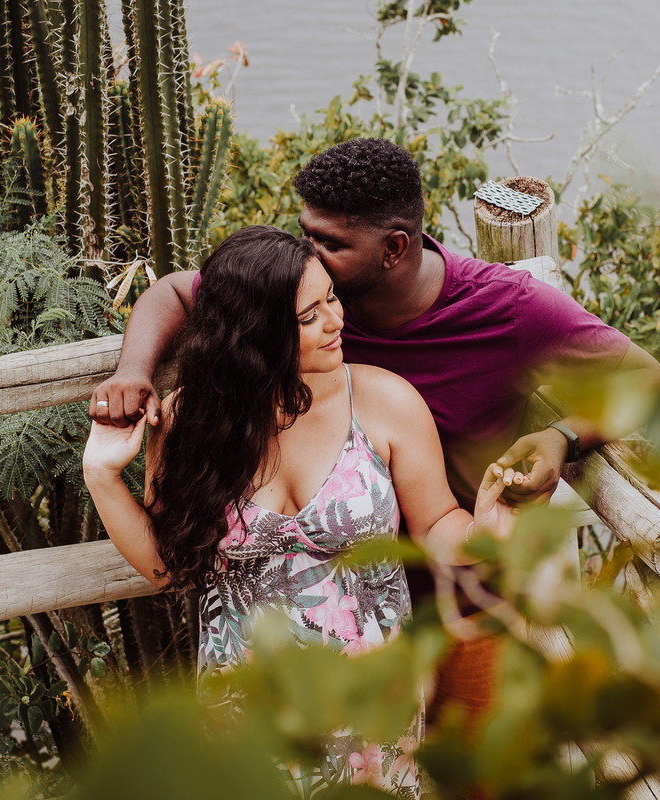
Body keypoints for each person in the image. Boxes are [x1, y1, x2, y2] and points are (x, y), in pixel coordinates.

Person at [90, 138, 660, 752]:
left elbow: (646, 379)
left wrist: (560, 438)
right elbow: (180, 294)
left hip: (462, 599)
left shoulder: (503, 311)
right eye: (304, 234)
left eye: (330, 245)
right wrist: (133, 372)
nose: (308, 255)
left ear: (394, 248)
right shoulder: (291, 293)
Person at [83, 225, 518, 797]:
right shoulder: (192, 423)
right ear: (255, 336)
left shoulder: (383, 399)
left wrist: (483, 532)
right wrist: (101, 474)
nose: (337, 322)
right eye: (309, 316)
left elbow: (436, 521)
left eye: (331, 298)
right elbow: (167, 565)